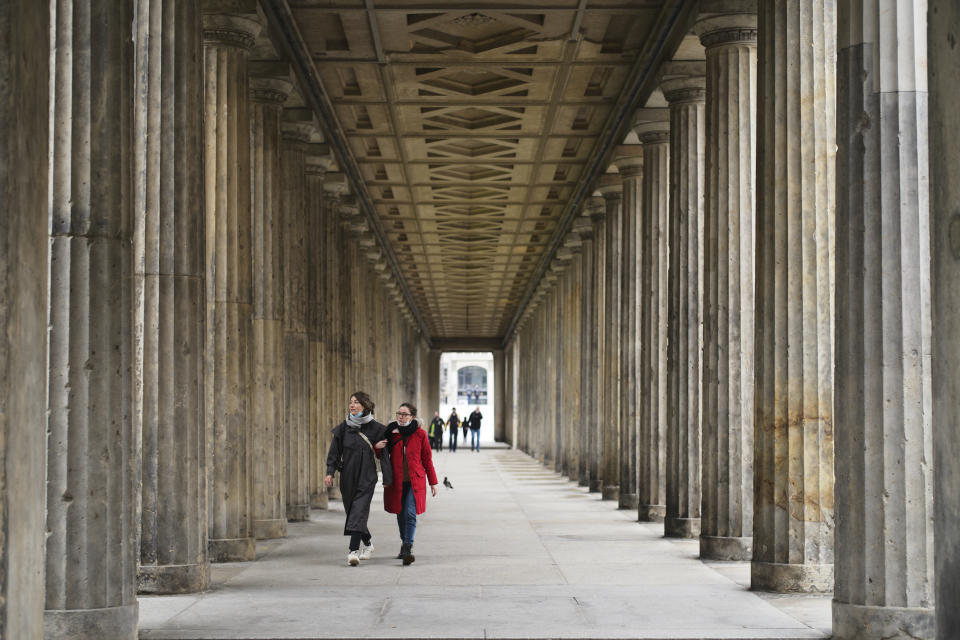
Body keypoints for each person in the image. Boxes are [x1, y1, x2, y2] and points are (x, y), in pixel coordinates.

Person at [325, 392, 388, 566]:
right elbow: (334, 452)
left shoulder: (377, 429)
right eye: (351, 402)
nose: (352, 405)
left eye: (356, 402)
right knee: (352, 512)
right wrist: (330, 472)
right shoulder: (343, 428)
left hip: (367, 476)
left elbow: (387, 453)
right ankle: (368, 543)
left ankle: (353, 551)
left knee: (358, 510)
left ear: (365, 406)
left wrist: (376, 448)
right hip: (347, 476)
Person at [383, 402, 438, 565]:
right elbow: (382, 453)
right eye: (399, 413)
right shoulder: (391, 433)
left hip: (415, 481)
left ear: (412, 417)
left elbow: (427, 459)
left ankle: (407, 546)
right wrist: (378, 446)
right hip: (397, 481)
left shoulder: (420, 434)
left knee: (410, 513)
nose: (401, 416)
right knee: (400, 514)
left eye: (404, 414)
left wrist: (433, 482)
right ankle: (404, 541)